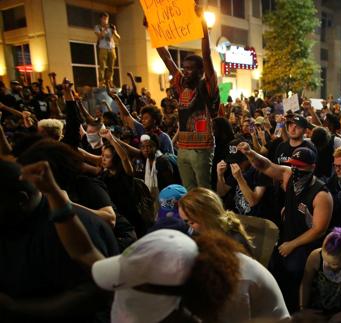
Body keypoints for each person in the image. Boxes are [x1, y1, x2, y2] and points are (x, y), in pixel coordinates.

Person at [0, 160, 118, 322]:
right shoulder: (12, 222)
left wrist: (16, 308)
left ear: (21, 199)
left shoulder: (77, 228)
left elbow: (94, 292)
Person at [237, 142, 333, 312]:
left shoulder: (321, 195)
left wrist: (292, 245)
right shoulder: (288, 175)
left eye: (300, 167)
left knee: (295, 274)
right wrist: (250, 153)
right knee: (275, 271)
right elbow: (265, 165)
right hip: (287, 238)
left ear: (312, 168)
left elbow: (319, 230)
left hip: (306, 247)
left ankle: (298, 311)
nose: (295, 170)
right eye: (293, 165)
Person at [146, 6, 219, 190]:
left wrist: (202, 23)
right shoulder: (180, 86)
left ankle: (208, 219)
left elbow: (206, 55)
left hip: (201, 149)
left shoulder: (207, 86)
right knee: (189, 192)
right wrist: (152, 29)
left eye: (189, 68)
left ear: (201, 71)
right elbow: (167, 58)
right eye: (183, 68)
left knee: (204, 192)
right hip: (183, 149)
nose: (184, 72)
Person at [178, 187, 254, 254]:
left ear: (208, 217)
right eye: (185, 221)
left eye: (192, 222)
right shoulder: (198, 234)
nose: (190, 227)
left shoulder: (234, 242)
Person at [216, 139, 271, 217]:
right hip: (238, 218)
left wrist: (239, 178)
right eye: (232, 161)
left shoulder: (260, 170)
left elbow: (253, 201)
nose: (235, 164)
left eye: (239, 161)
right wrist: (220, 175)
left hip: (258, 220)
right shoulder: (236, 169)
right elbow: (222, 193)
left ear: (248, 158)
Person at [94, 12, 119, 87]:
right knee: (102, 65)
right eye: (104, 19)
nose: (106, 21)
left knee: (111, 66)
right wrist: (104, 29)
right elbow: (100, 37)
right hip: (103, 48)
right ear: (101, 19)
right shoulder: (97, 27)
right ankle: (101, 81)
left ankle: (109, 81)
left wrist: (114, 31)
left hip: (112, 48)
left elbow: (118, 37)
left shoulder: (111, 27)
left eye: (107, 19)